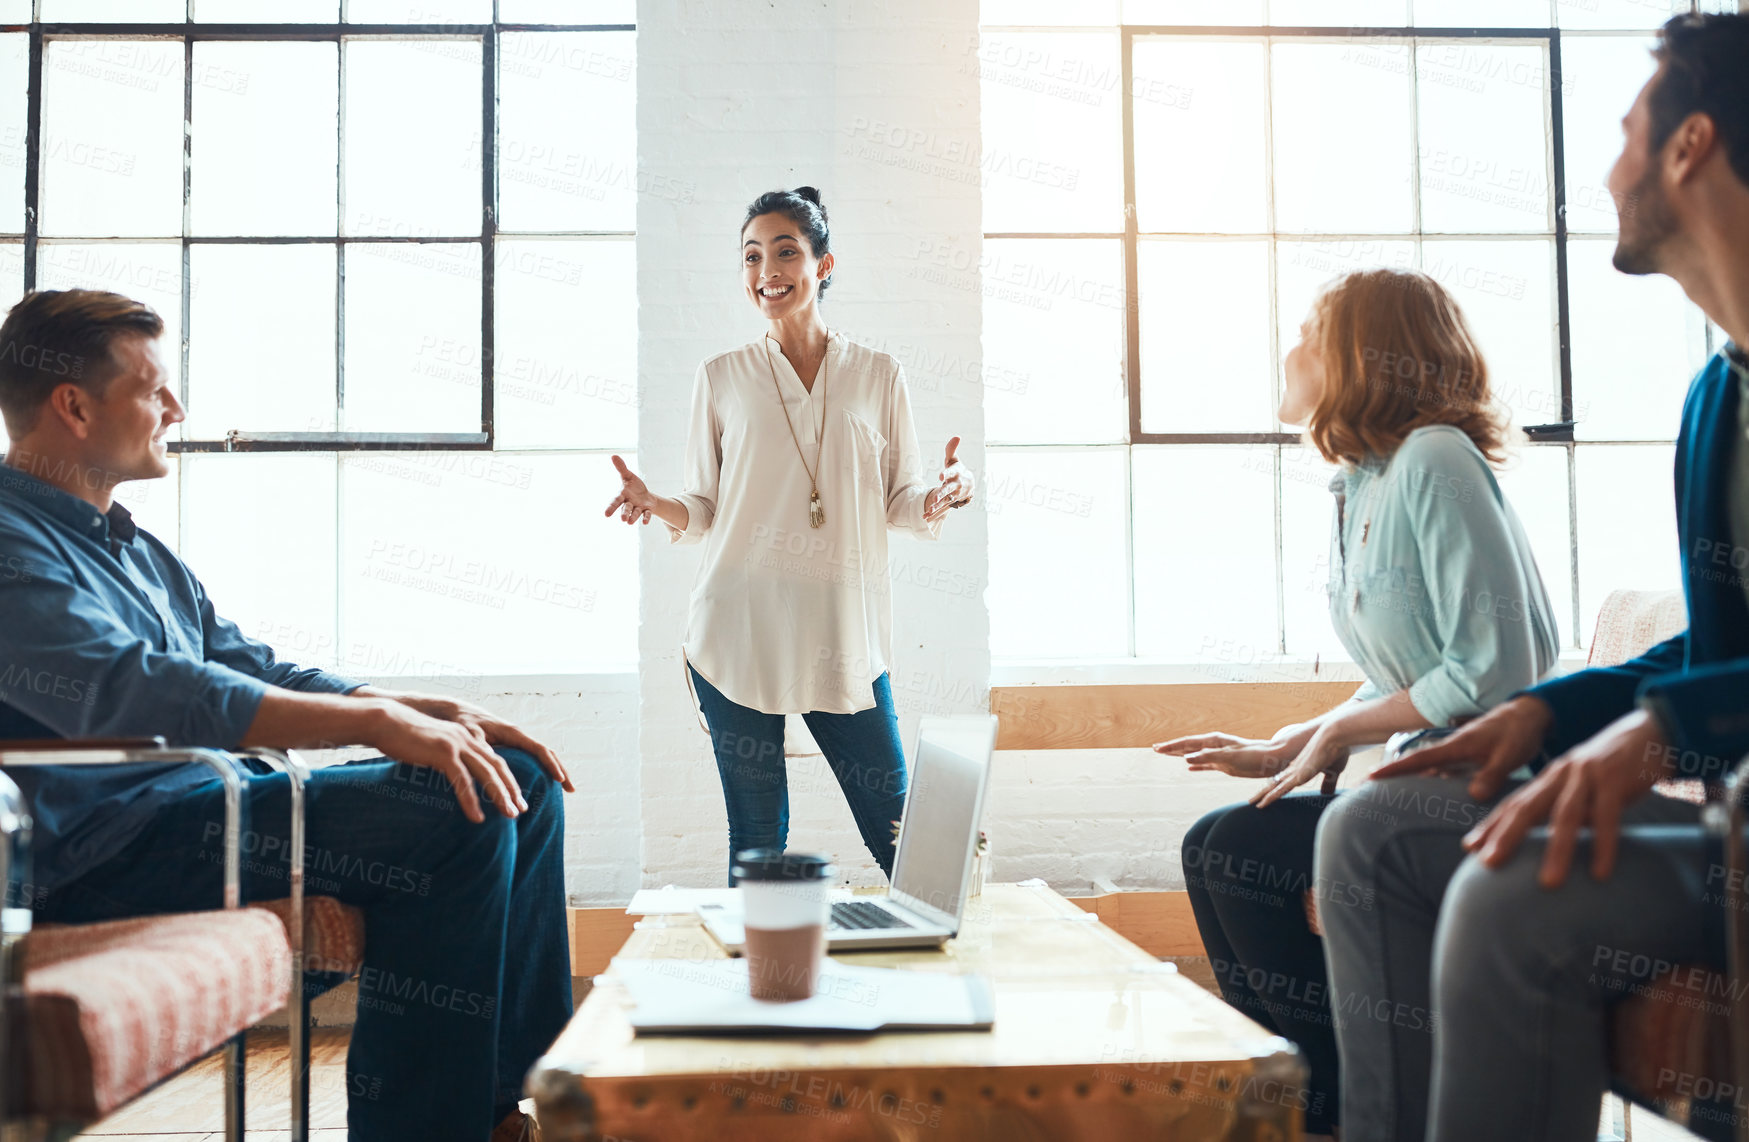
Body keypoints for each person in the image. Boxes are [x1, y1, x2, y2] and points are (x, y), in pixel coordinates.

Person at [1313, 13, 1749, 1141]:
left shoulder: (1434, 458)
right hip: (1721, 832)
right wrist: (1550, 713)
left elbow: (1704, 692)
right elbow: (1716, 652)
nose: (1605, 172)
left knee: (1510, 901)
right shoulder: (1715, 401)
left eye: (1624, 132)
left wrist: (1653, 732)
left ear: (1690, 145)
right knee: (1368, 832)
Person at [0, 289, 574, 1141]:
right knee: (454, 807)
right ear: (73, 405)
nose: (176, 410)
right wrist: (373, 730)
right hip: (105, 852)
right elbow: (139, 688)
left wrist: (416, 707)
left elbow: (249, 664)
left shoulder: (133, 547)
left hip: (203, 814)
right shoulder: (13, 544)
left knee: (514, 775)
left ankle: (503, 1109)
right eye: (154, 390)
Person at [1160, 269, 1559, 1140]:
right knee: (1216, 846)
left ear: (1360, 355)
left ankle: (1336, 1111)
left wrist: (1346, 727)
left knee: (1238, 853)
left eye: (1309, 331)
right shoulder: (1362, 482)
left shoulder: (1434, 459)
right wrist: (1296, 738)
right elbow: (1403, 673)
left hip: (1494, 781)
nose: (1290, 350)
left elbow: (1499, 669)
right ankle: (1319, 1107)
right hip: (1422, 779)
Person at [605, 186, 974, 882]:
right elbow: (705, 508)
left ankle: (942, 978)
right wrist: (655, 502)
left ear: (822, 264)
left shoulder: (876, 373)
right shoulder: (721, 377)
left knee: (900, 831)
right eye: (750, 256)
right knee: (756, 843)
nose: (765, 270)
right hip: (737, 629)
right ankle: (763, 986)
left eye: (784, 251)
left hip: (843, 630)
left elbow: (902, 498)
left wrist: (946, 496)